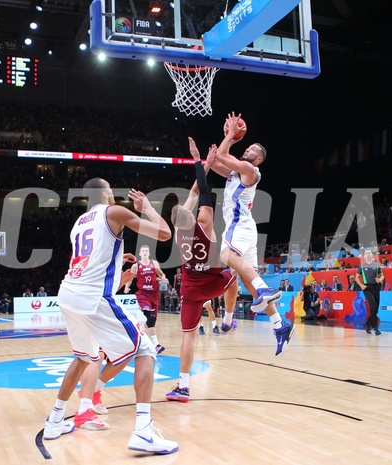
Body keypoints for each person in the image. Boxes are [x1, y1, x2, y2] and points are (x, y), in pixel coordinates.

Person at [43, 179, 178, 455]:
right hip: (92, 298)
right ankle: (143, 431)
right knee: (145, 349)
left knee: (83, 358)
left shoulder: (79, 223)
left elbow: (93, 262)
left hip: (68, 293)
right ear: (105, 195)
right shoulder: (113, 212)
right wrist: (147, 208)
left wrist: (118, 267)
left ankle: (55, 421)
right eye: (112, 193)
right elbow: (164, 234)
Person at [211, 113, 293, 354]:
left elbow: (224, 156)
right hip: (246, 230)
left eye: (252, 149)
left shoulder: (249, 170)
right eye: (247, 146)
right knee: (246, 279)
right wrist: (206, 156)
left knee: (226, 255)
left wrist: (230, 137)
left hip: (239, 227)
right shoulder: (235, 173)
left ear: (258, 159)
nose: (248, 149)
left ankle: (265, 289)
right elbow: (216, 161)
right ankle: (280, 326)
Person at [165, 139, 240, 402]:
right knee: (237, 273)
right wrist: (199, 162)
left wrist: (204, 164)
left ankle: (183, 386)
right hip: (214, 282)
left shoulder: (177, 233)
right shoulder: (205, 223)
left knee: (188, 337)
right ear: (194, 217)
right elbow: (202, 193)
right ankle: (229, 318)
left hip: (190, 289)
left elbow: (193, 196)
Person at [124, 244, 169, 354]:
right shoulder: (136, 266)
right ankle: (156, 345)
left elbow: (160, 273)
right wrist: (126, 286)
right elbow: (130, 278)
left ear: (148, 253)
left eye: (146, 251)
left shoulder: (154, 263)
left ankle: (138, 334)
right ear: (140, 254)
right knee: (149, 316)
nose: (144, 252)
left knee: (151, 321)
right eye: (143, 251)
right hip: (143, 295)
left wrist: (163, 277)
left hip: (154, 295)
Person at [355, 249, 385, 335]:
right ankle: (376, 328)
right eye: (366, 253)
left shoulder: (377, 265)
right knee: (373, 307)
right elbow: (356, 277)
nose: (368, 254)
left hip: (376, 287)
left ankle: (367, 324)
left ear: (372, 255)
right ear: (364, 256)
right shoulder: (362, 266)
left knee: (375, 309)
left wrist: (380, 279)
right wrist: (361, 285)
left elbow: (382, 275)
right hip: (367, 288)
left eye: (369, 253)